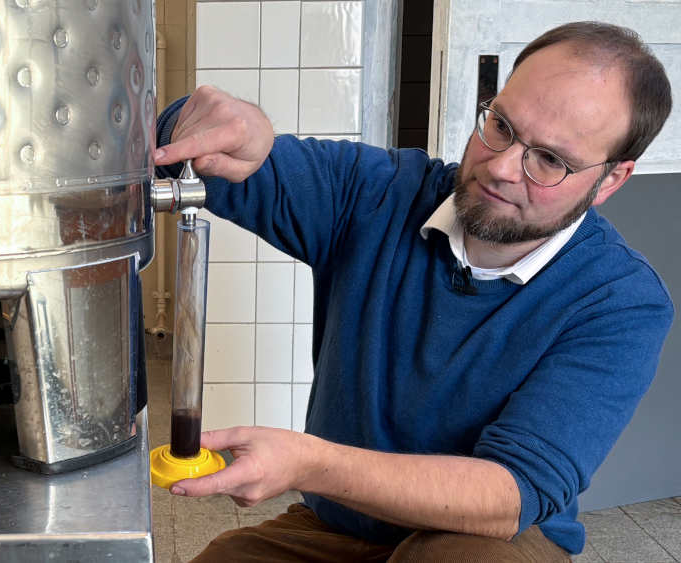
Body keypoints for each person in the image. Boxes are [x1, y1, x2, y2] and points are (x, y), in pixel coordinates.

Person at [153, 21, 674, 562]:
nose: (499, 168)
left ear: (610, 180)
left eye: (548, 160)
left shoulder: (620, 301)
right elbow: (202, 153)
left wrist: (309, 463)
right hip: (336, 527)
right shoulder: (378, 193)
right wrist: (211, 122)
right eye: (500, 125)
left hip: (488, 540)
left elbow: (510, 494)